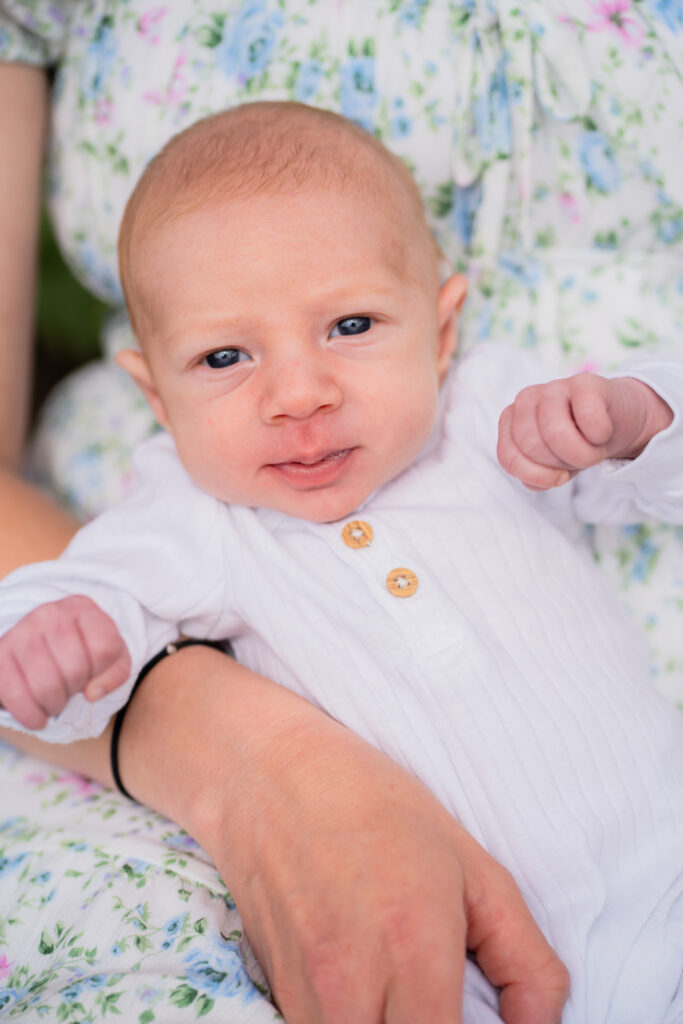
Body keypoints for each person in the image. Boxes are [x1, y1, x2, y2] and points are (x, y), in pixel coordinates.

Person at [0, 2, 679, 1021]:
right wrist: (57, 632)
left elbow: (650, 479)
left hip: (659, 869)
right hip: (437, 937)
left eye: (350, 325)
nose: (298, 393)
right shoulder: (188, 514)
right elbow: (84, 611)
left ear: (439, 331)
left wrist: (630, 417)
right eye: (225, 357)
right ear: (154, 394)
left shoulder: (491, 413)